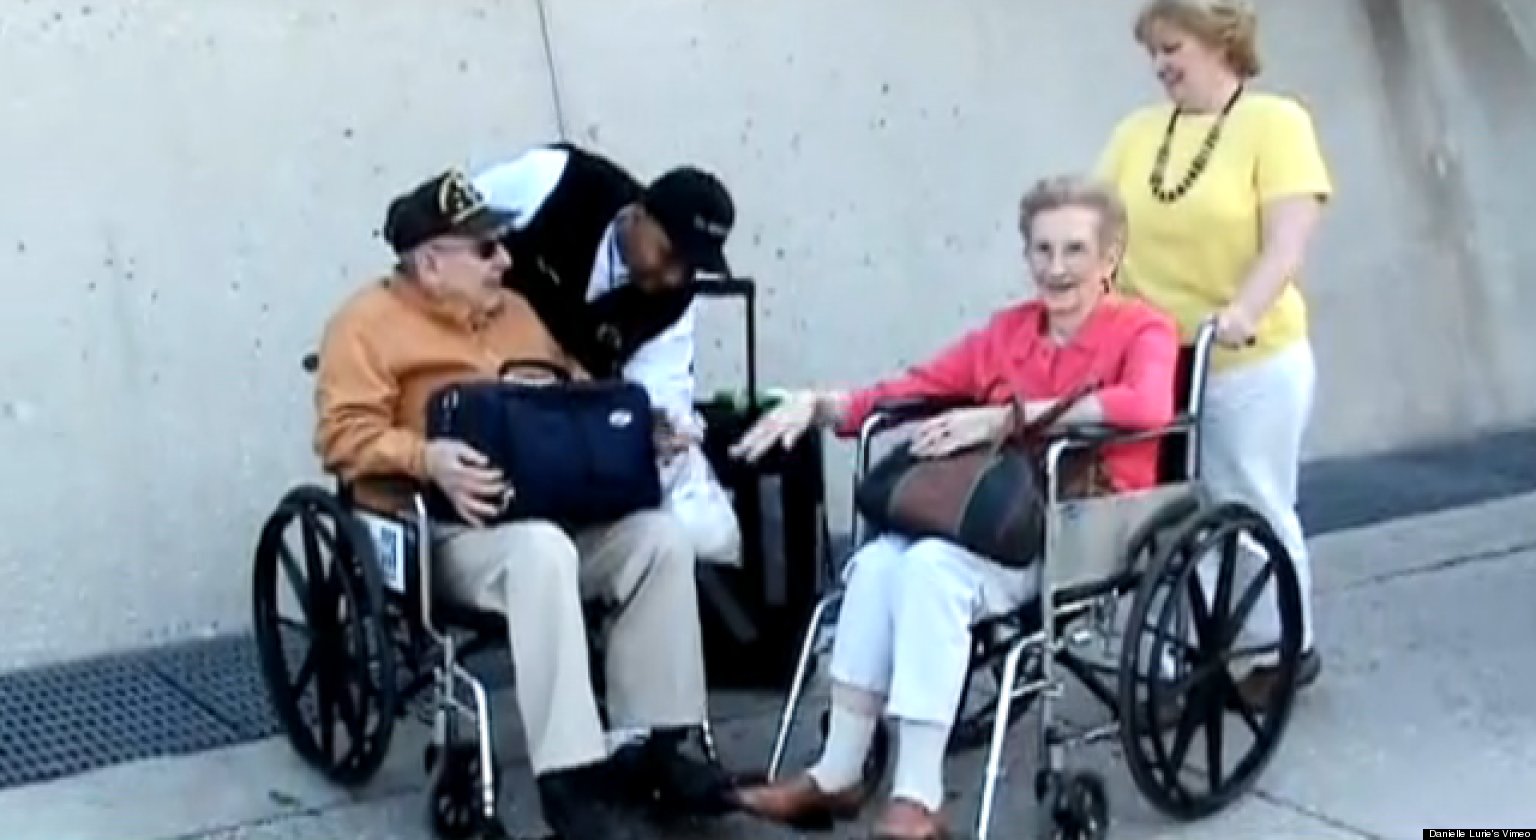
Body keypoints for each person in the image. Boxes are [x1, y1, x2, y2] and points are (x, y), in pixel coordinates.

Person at [726, 176, 1180, 839]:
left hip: (1073, 526)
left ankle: (917, 797)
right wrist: (822, 405)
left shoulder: (1141, 328)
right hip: (985, 518)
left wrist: (1004, 418)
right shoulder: (1007, 333)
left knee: (931, 568)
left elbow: (1146, 406)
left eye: (1076, 250)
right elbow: (915, 387)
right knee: (880, 562)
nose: (1056, 269)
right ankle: (838, 773)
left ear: (1110, 257)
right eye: (1042, 249)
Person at [311, 168, 734, 840]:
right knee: (541, 551)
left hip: (542, 513)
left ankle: (655, 744)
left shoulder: (516, 313)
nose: (506, 259)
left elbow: (575, 391)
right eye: (486, 250)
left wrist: (632, 431)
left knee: (659, 538)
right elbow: (341, 437)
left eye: (502, 244)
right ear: (430, 260)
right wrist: (428, 459)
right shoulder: (363, 327)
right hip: (440, 535)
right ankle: (570, 780)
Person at [1095, 0, 1333, 707]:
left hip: (1246, 357)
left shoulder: (1275, 124)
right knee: (1170, 511)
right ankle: (1187, 649)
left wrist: (1243, 311)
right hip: (1155, 359)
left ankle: (1283, 647)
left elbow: (1286, 240)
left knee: (1248, 497)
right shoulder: (1138, 134)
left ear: (1217, 40)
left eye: (1173, 48)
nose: (1162, 64)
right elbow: (1097, 223)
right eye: (1155, 53)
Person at [471, 142, 743, 567]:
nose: (673, 277)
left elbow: (656, 389)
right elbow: (452, 228)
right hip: (483, 388)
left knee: (706, 531)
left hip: (570, 431)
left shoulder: (676, 303)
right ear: (637, 213)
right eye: (669, 254)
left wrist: (661, 425)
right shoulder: (556, 179)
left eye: (689, 268)